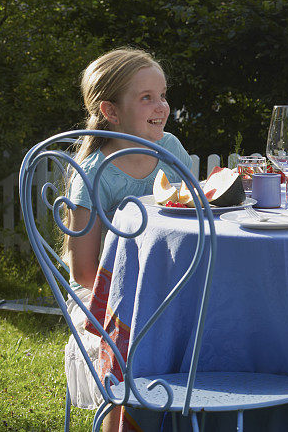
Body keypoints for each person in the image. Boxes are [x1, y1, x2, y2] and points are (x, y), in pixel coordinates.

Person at [63, 48, 191, 431]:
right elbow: (84, 273)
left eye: (163, 95)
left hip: (167, 282)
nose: (161, 106)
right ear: (110, 111)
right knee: (138, 339)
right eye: (146, 97)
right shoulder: (93, 174)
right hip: (107, 298)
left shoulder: (168, 149)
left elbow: (195, 219)